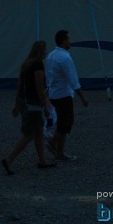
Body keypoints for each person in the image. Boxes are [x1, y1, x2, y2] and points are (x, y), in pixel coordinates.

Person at [1, 41, 55, 173]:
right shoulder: (37, 65)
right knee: (29, 134)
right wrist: (46, 106)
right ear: (40, 50)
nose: (46, 52)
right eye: (44, 49)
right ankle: (9, 159)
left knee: (37, 133)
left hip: (26, 103)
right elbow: (39, 87)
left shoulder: (26, 64)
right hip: (34, 104)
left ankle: (42, 161)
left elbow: (20, 85)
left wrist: (17, 104)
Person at [46, 29, 89, 161]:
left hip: (54, 94)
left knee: (63, 121)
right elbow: (73, 79)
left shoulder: (51, 56)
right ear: (64, 41)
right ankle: (60, 151)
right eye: (68, 39)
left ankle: (54, 144)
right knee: (65, 123)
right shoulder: (65, 57)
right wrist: (82, 97)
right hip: (63, 95)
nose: (70, 41)